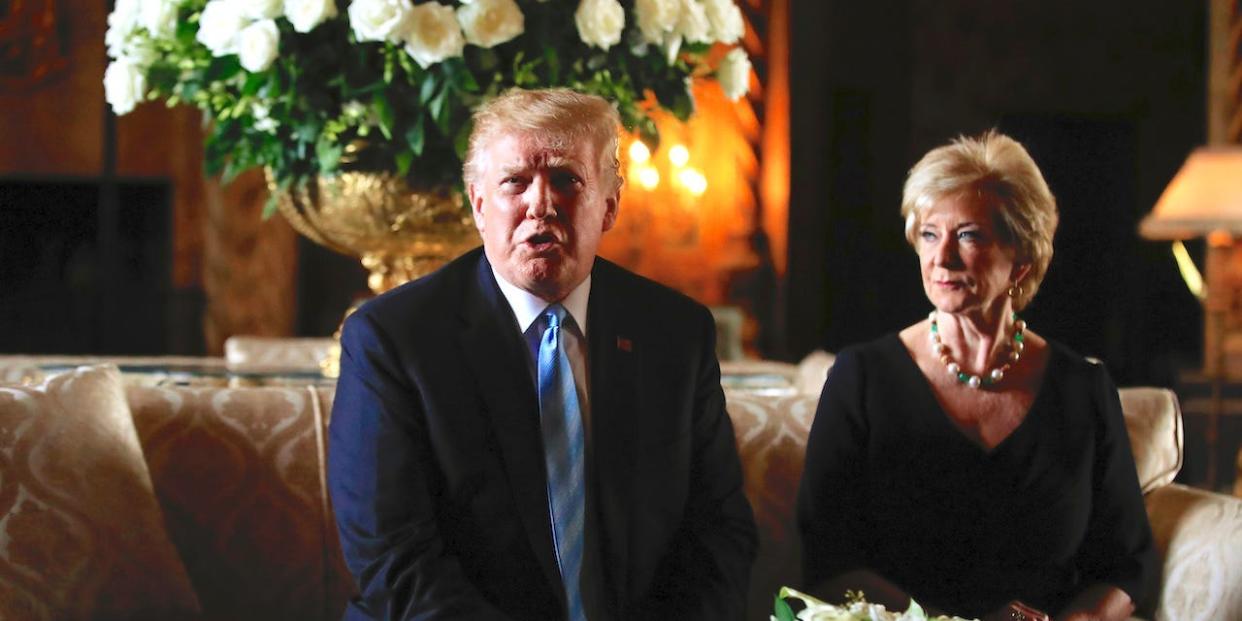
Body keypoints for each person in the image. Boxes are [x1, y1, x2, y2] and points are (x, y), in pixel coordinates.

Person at [327, 88, 757, 621]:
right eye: (515, 182)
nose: (541, 204)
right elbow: (395, 560)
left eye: (566, 179)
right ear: (479, 204)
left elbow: (719, 533)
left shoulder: (676, 332)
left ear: (610, 205)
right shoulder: (393, 338)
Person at [796, 131, 1156, 621]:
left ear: (1021, 259)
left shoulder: (1083, 390)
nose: (941, 258)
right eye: (928, 234)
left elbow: (1127, 564)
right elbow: (828, 558)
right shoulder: (862, 379)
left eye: (968, 235)